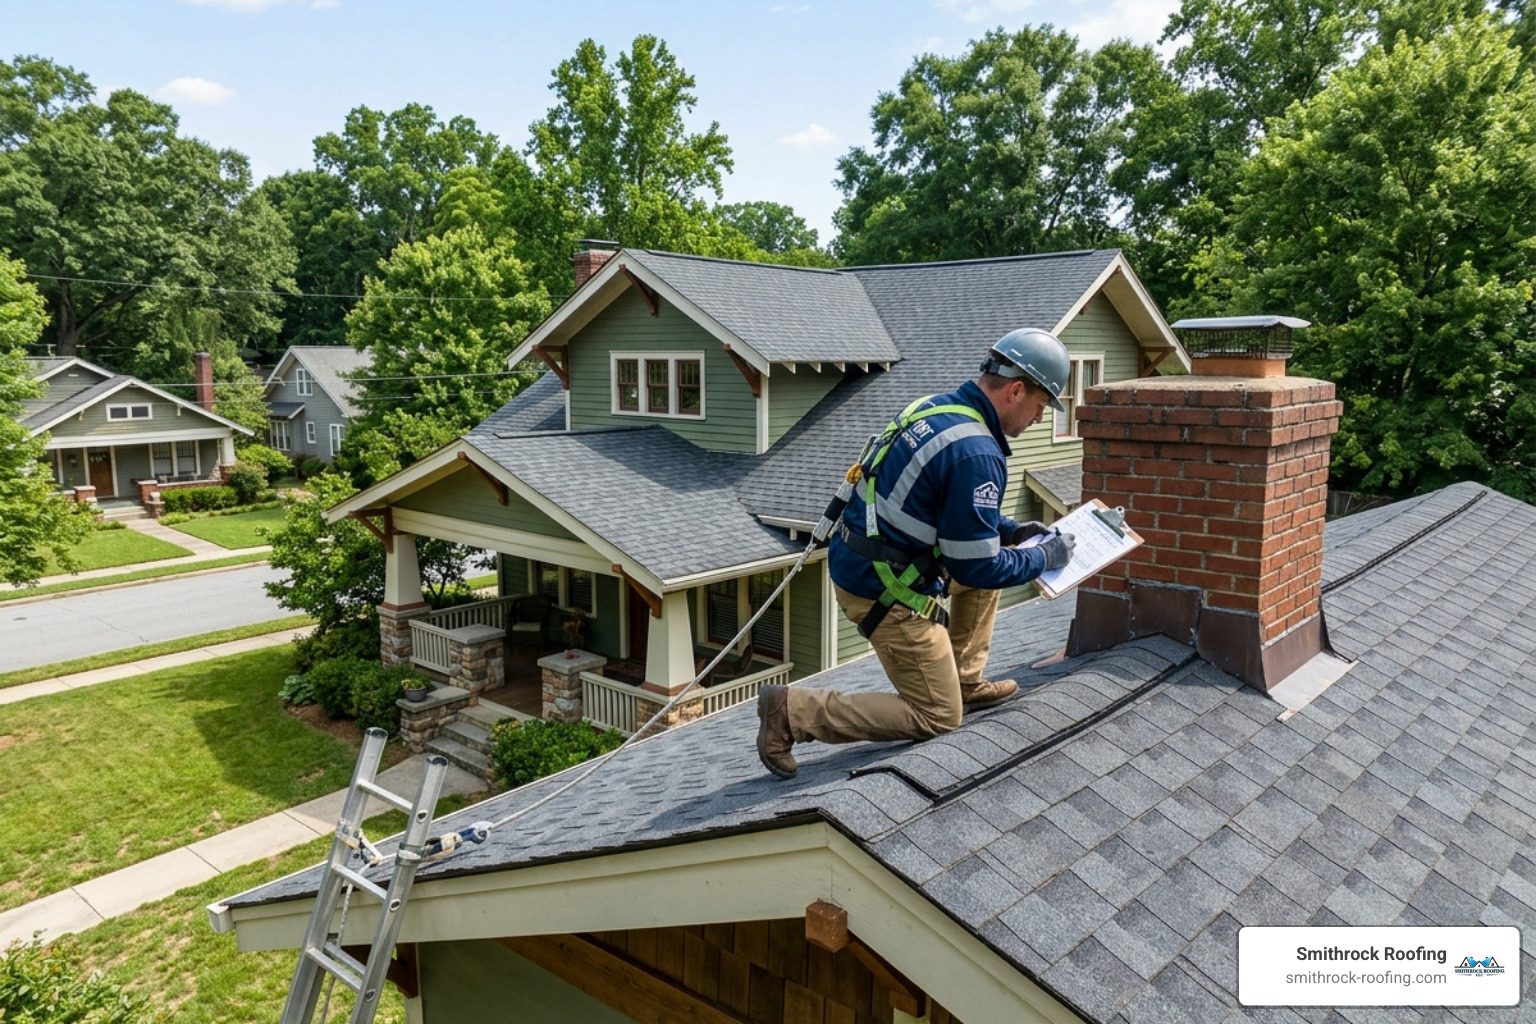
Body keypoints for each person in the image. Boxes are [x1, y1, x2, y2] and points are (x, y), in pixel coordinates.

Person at [756, 328, 1079, 778]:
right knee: (939, 717)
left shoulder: (936, 408)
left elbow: (942, 511)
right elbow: (977, 565)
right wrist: (1046, 557)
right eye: (1042, 406)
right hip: (884, 589)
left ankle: (963, 679)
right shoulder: (976, 452)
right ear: (1016, 390)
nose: (1041, 419)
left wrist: (1010, 530)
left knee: (997, 557)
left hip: (871, 557)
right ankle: (794, 712)